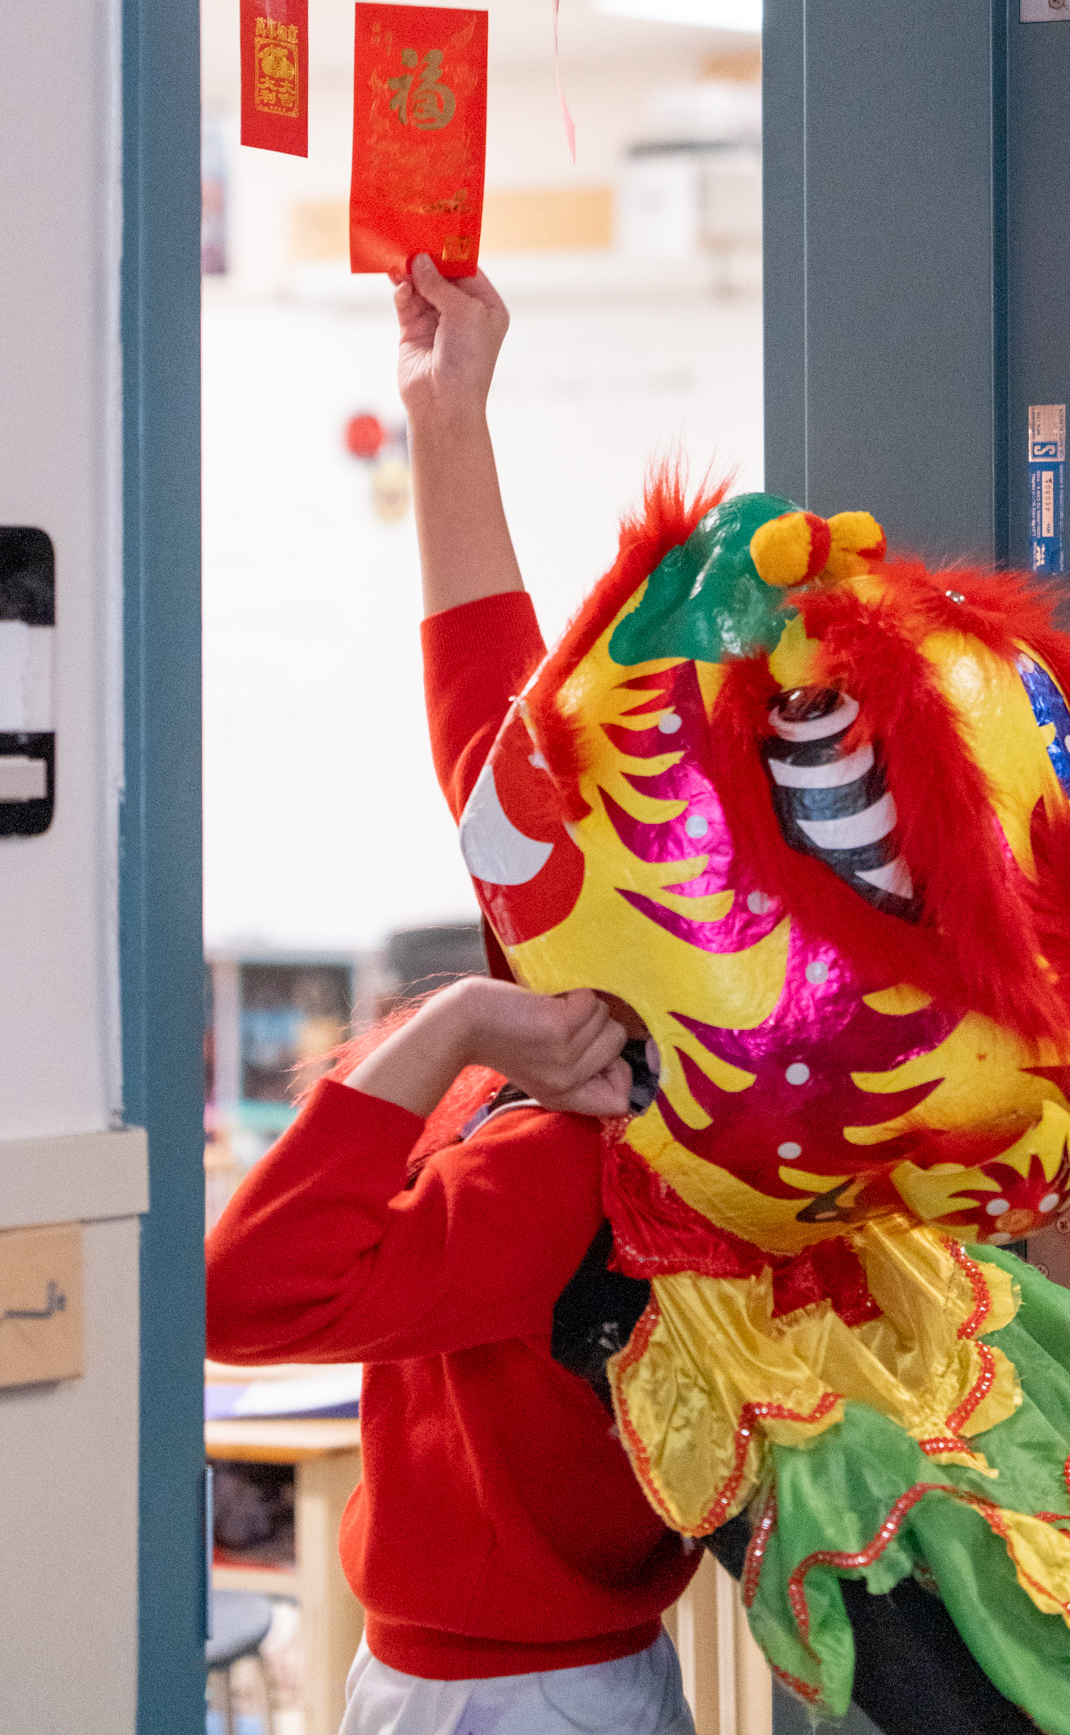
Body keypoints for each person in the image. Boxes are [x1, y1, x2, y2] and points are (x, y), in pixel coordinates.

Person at [205, 254, 699, 1735]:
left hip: (519, 1704)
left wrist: (454, 1027)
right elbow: (484, 703)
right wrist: (446, 417)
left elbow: (246, 1293)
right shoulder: (587, 1020)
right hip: (502, 1682)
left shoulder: (575, 1144)